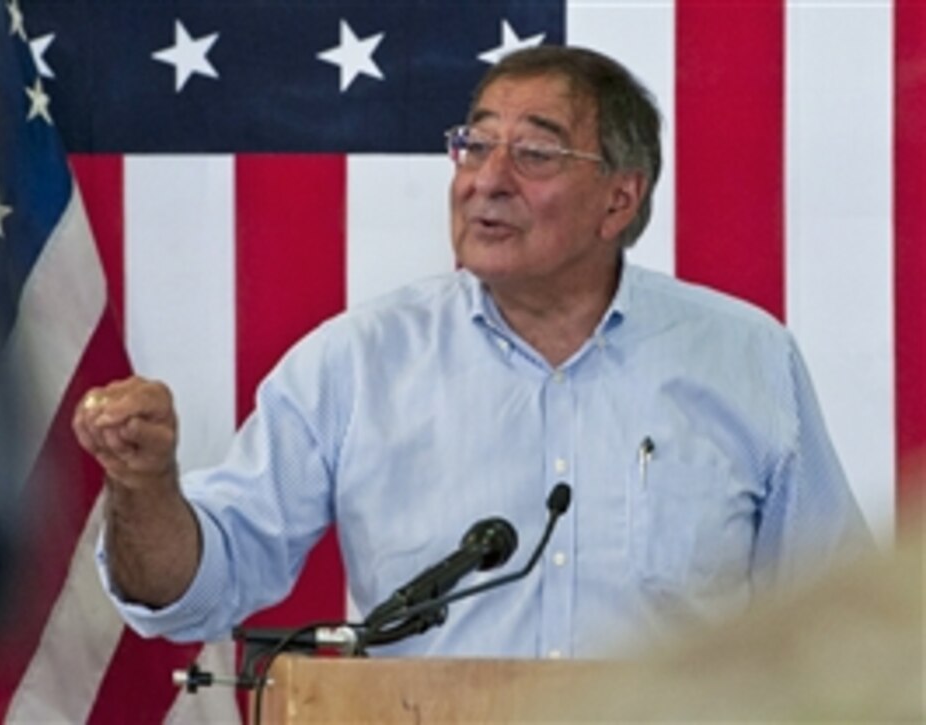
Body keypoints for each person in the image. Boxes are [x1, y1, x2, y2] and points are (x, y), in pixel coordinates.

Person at [72, 45, 872, 659]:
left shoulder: (744, 357)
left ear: (619, 199)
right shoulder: (358, 362)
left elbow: (841, 620)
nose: (486, 180)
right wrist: (146, 486)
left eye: (535, 153)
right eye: (475, 145)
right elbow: (190, 593)